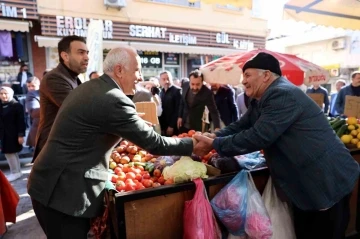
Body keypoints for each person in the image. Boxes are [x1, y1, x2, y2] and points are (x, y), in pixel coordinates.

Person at [27, 46, 195, 238]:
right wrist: (192, 144)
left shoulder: (94, 87)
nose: (140, 77)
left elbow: (94, 129)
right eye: (137, 70)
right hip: (62, 194)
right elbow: (154, 144)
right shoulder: (113, 98)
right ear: (119, 70)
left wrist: (129, 126)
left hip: (51, 185)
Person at [193, 52, 359, 239]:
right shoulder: (261, 98)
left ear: (266, 75)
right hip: (308, 183)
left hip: (326, 179)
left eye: (247, 75)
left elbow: (257, 137)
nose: (243, 81)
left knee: (323, 232)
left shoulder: (281, 94)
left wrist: (214, 144)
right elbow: (241, 125)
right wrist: (215, 135)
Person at [32, 35, 88, 163]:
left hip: (66, 148)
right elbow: (78, 111)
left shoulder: (74, 77)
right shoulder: (54, 78)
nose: (86, 57)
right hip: (54, 152)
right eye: (80, 52)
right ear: (65, 56)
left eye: (87, 53)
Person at [0, 87, 26, 182]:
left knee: (10, 152)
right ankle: (17, 171)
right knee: (9, 153)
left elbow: (21, 122)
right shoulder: (1, 105)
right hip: (3, 134)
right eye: (1, 93)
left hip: (13, 134)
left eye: (5, 93)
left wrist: (20, 135)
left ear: (11, 94)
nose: (3, 95)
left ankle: (15, 172)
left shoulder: (16, 106)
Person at [159, 71, 181, 136]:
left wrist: (171, 125)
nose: (166, 81)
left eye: (168, 79)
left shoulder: (177, 91)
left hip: (173, 126)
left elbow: (178, 109)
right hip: (163, 126)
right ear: (160, 81)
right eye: (164, 79)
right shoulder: (161, 92)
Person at [25, 76, 41, 150]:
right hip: (36, 127)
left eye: (33, 86)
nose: (31, 88)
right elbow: (34, 112)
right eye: (29, 86)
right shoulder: (31, 95)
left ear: (39, 85)